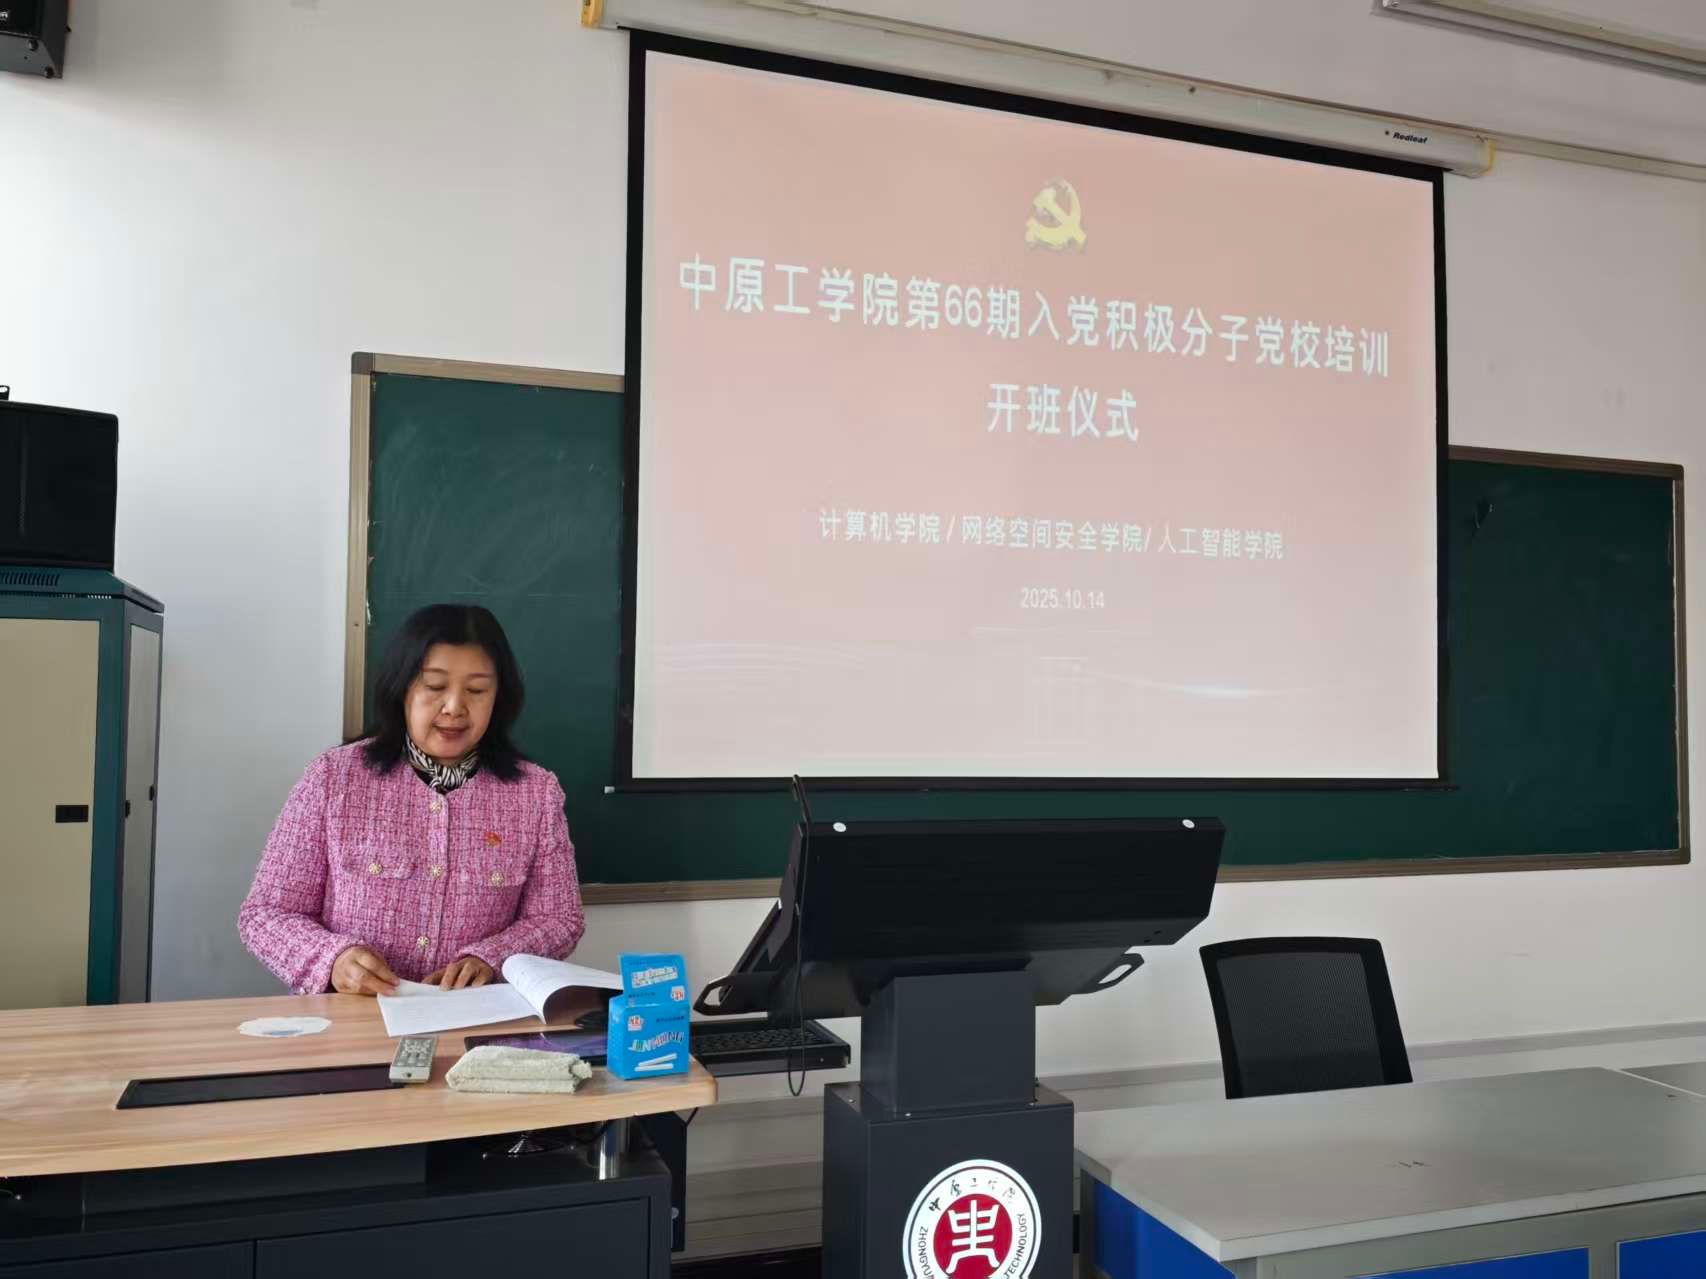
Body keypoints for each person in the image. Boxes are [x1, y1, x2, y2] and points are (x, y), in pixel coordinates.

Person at [239, 604, 583, 996]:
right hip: (351, 1017)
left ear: (498, 697)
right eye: (434, 686)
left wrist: (493, 958)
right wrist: (332, 959)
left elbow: (559, 918)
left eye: (476, 690)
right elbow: (266, 914)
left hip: (474, 1017)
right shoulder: (334, 779)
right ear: (402, 687)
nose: (454, 707)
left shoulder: (535, 793)